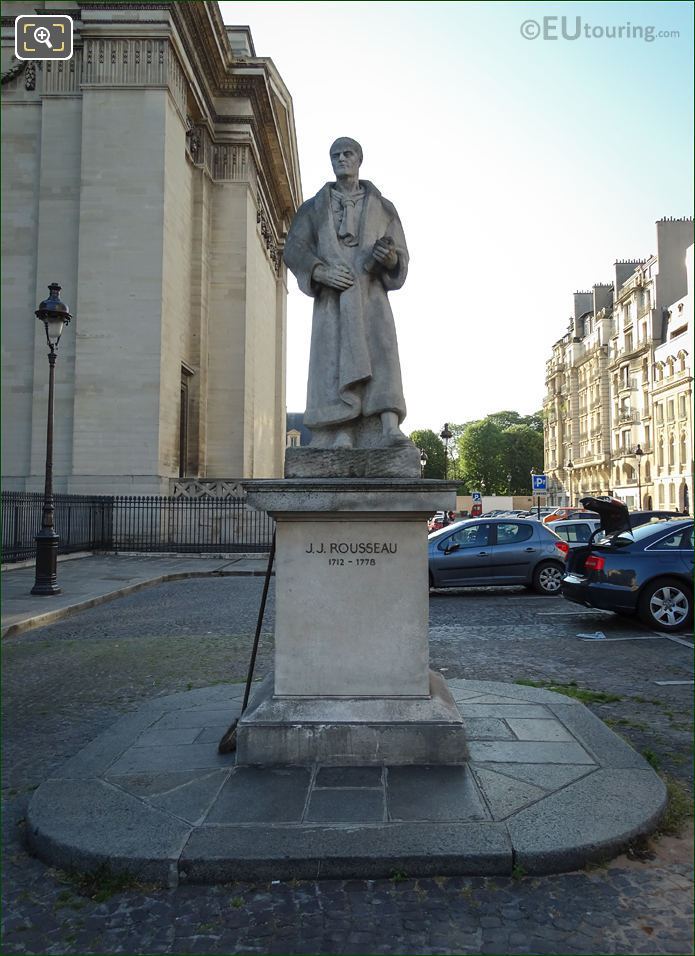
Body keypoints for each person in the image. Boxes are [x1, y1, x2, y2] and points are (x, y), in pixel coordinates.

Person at [283, 137, 411, 450]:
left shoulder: (383, 207)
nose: (341, 159)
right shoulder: (314, 207)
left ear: (359, 159)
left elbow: (401, 254)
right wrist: (318, 270)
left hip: (371, 297)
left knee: (381, 354)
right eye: (335, 155)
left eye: (347, 153)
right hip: (334, 301)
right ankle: (341, 430)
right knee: (334, 362)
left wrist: (390, 258)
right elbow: (294, 249)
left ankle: (388, 425)